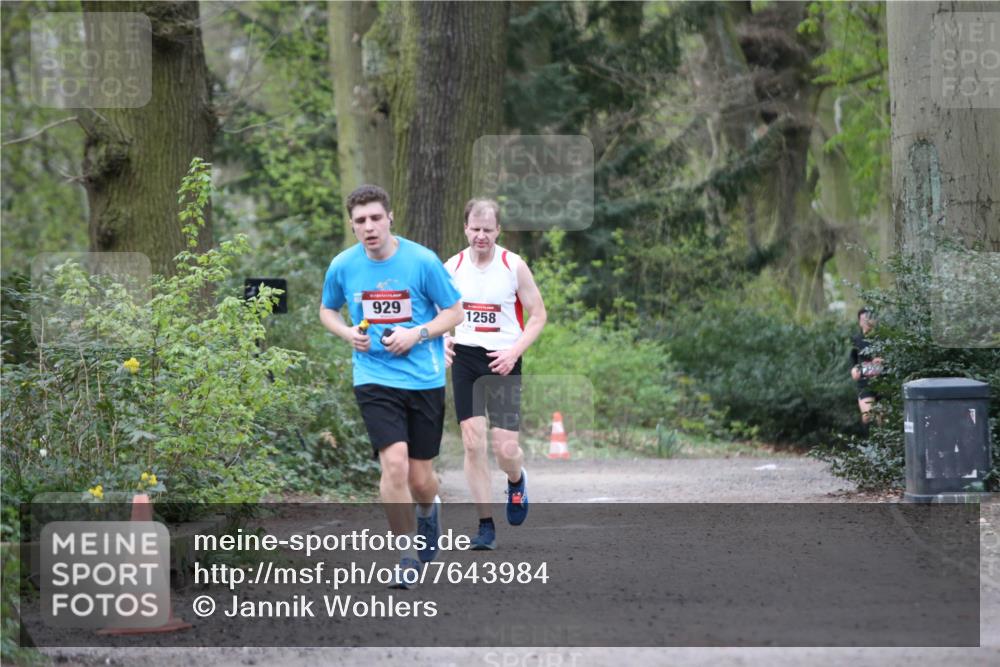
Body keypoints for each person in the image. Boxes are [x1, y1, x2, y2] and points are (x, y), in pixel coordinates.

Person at [319, 184, 463, 588]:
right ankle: (405, 555)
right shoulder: (344, 266)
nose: (369, 227)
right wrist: (348, 333)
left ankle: (428, 510)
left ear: (390, 218)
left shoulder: (422, 261)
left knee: (420, 478)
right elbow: (327, 310)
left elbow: (455, 313)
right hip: (374, 377)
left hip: (423, 377)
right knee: (394, 464)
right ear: (352, 226)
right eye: (361, 221)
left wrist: (416, 334)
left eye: (375, 218)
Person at [443, 199, 547, 550]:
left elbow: (537, 316)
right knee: (473, 443)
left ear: (498, 230)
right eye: (475, 229)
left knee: (505, 449)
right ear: (465, 228)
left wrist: (514, 351)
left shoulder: (513, 266)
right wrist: (442, 340)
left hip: (502, 357)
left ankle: (516, 480)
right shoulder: (452, 267)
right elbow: (437, 312)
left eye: (488, 230)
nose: (481, 236)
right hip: (466, 358)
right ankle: (485, 524)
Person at [850, 307, 883, 426]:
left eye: (870, 318)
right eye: (864, 319)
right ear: (859, 322)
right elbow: (853, 359)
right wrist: (854, 368)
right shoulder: (856, 340)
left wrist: (882, 361)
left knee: (881, 420)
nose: (867, 321)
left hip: (883, 383)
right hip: (865, 383)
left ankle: (882, 443)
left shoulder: (882, 338)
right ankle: (867, 443)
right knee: (869, 416)